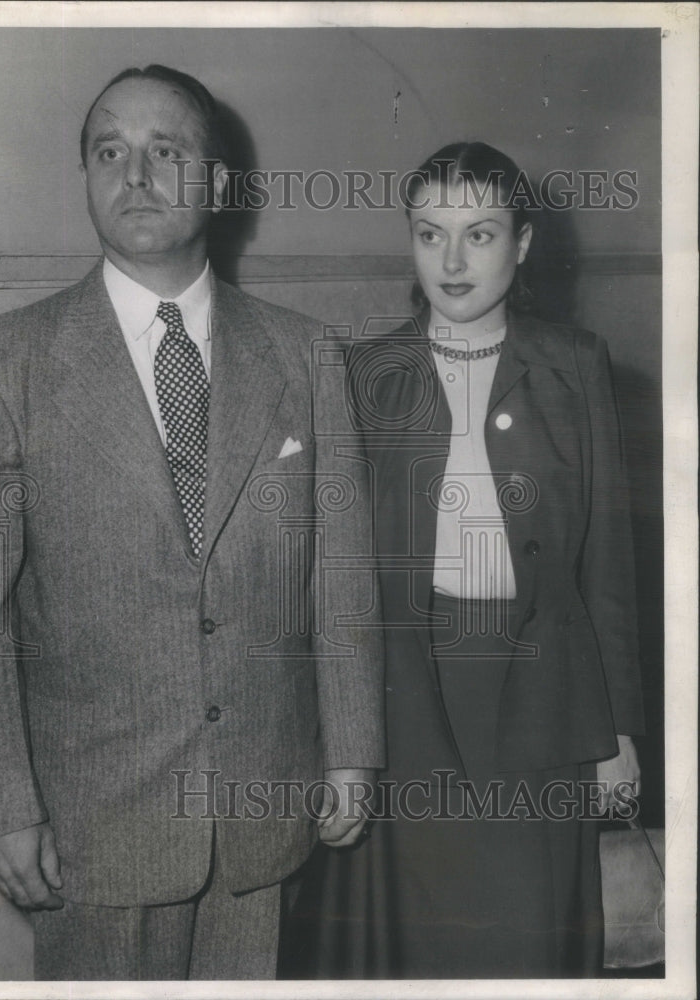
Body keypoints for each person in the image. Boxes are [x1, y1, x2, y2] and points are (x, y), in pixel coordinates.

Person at [0, 64, 384, 981]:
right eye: (109, 151)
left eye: (164, 152)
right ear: (88, 179)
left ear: (217, 185)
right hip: (93, 822)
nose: (133, 175)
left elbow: (340, 574)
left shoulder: (306, 354)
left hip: (262, 807)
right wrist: (3, 805)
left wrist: (354, 752)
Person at [280, 142, 644, 979]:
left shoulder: (577, 365)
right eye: (429, 232)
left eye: (479, 234)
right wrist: (341, 737)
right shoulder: (364, 374)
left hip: (547, 698)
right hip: (404, 698)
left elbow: (608, 570)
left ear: (522, 243)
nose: (451, 260)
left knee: (526, 942)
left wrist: (618, 730)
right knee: (419, 946)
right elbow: (334, 575)